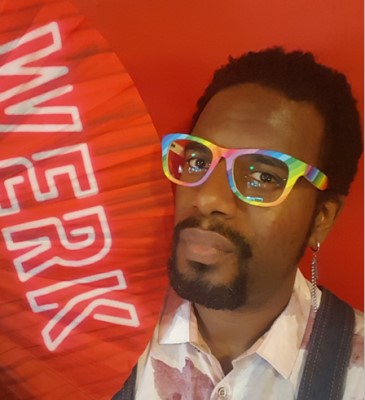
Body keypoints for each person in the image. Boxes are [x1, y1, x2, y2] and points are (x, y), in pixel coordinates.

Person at [113, 47, 363, 399]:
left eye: (262, 176)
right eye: (198, 162)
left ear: (320, 219)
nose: (208, 197)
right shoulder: (96, 333)